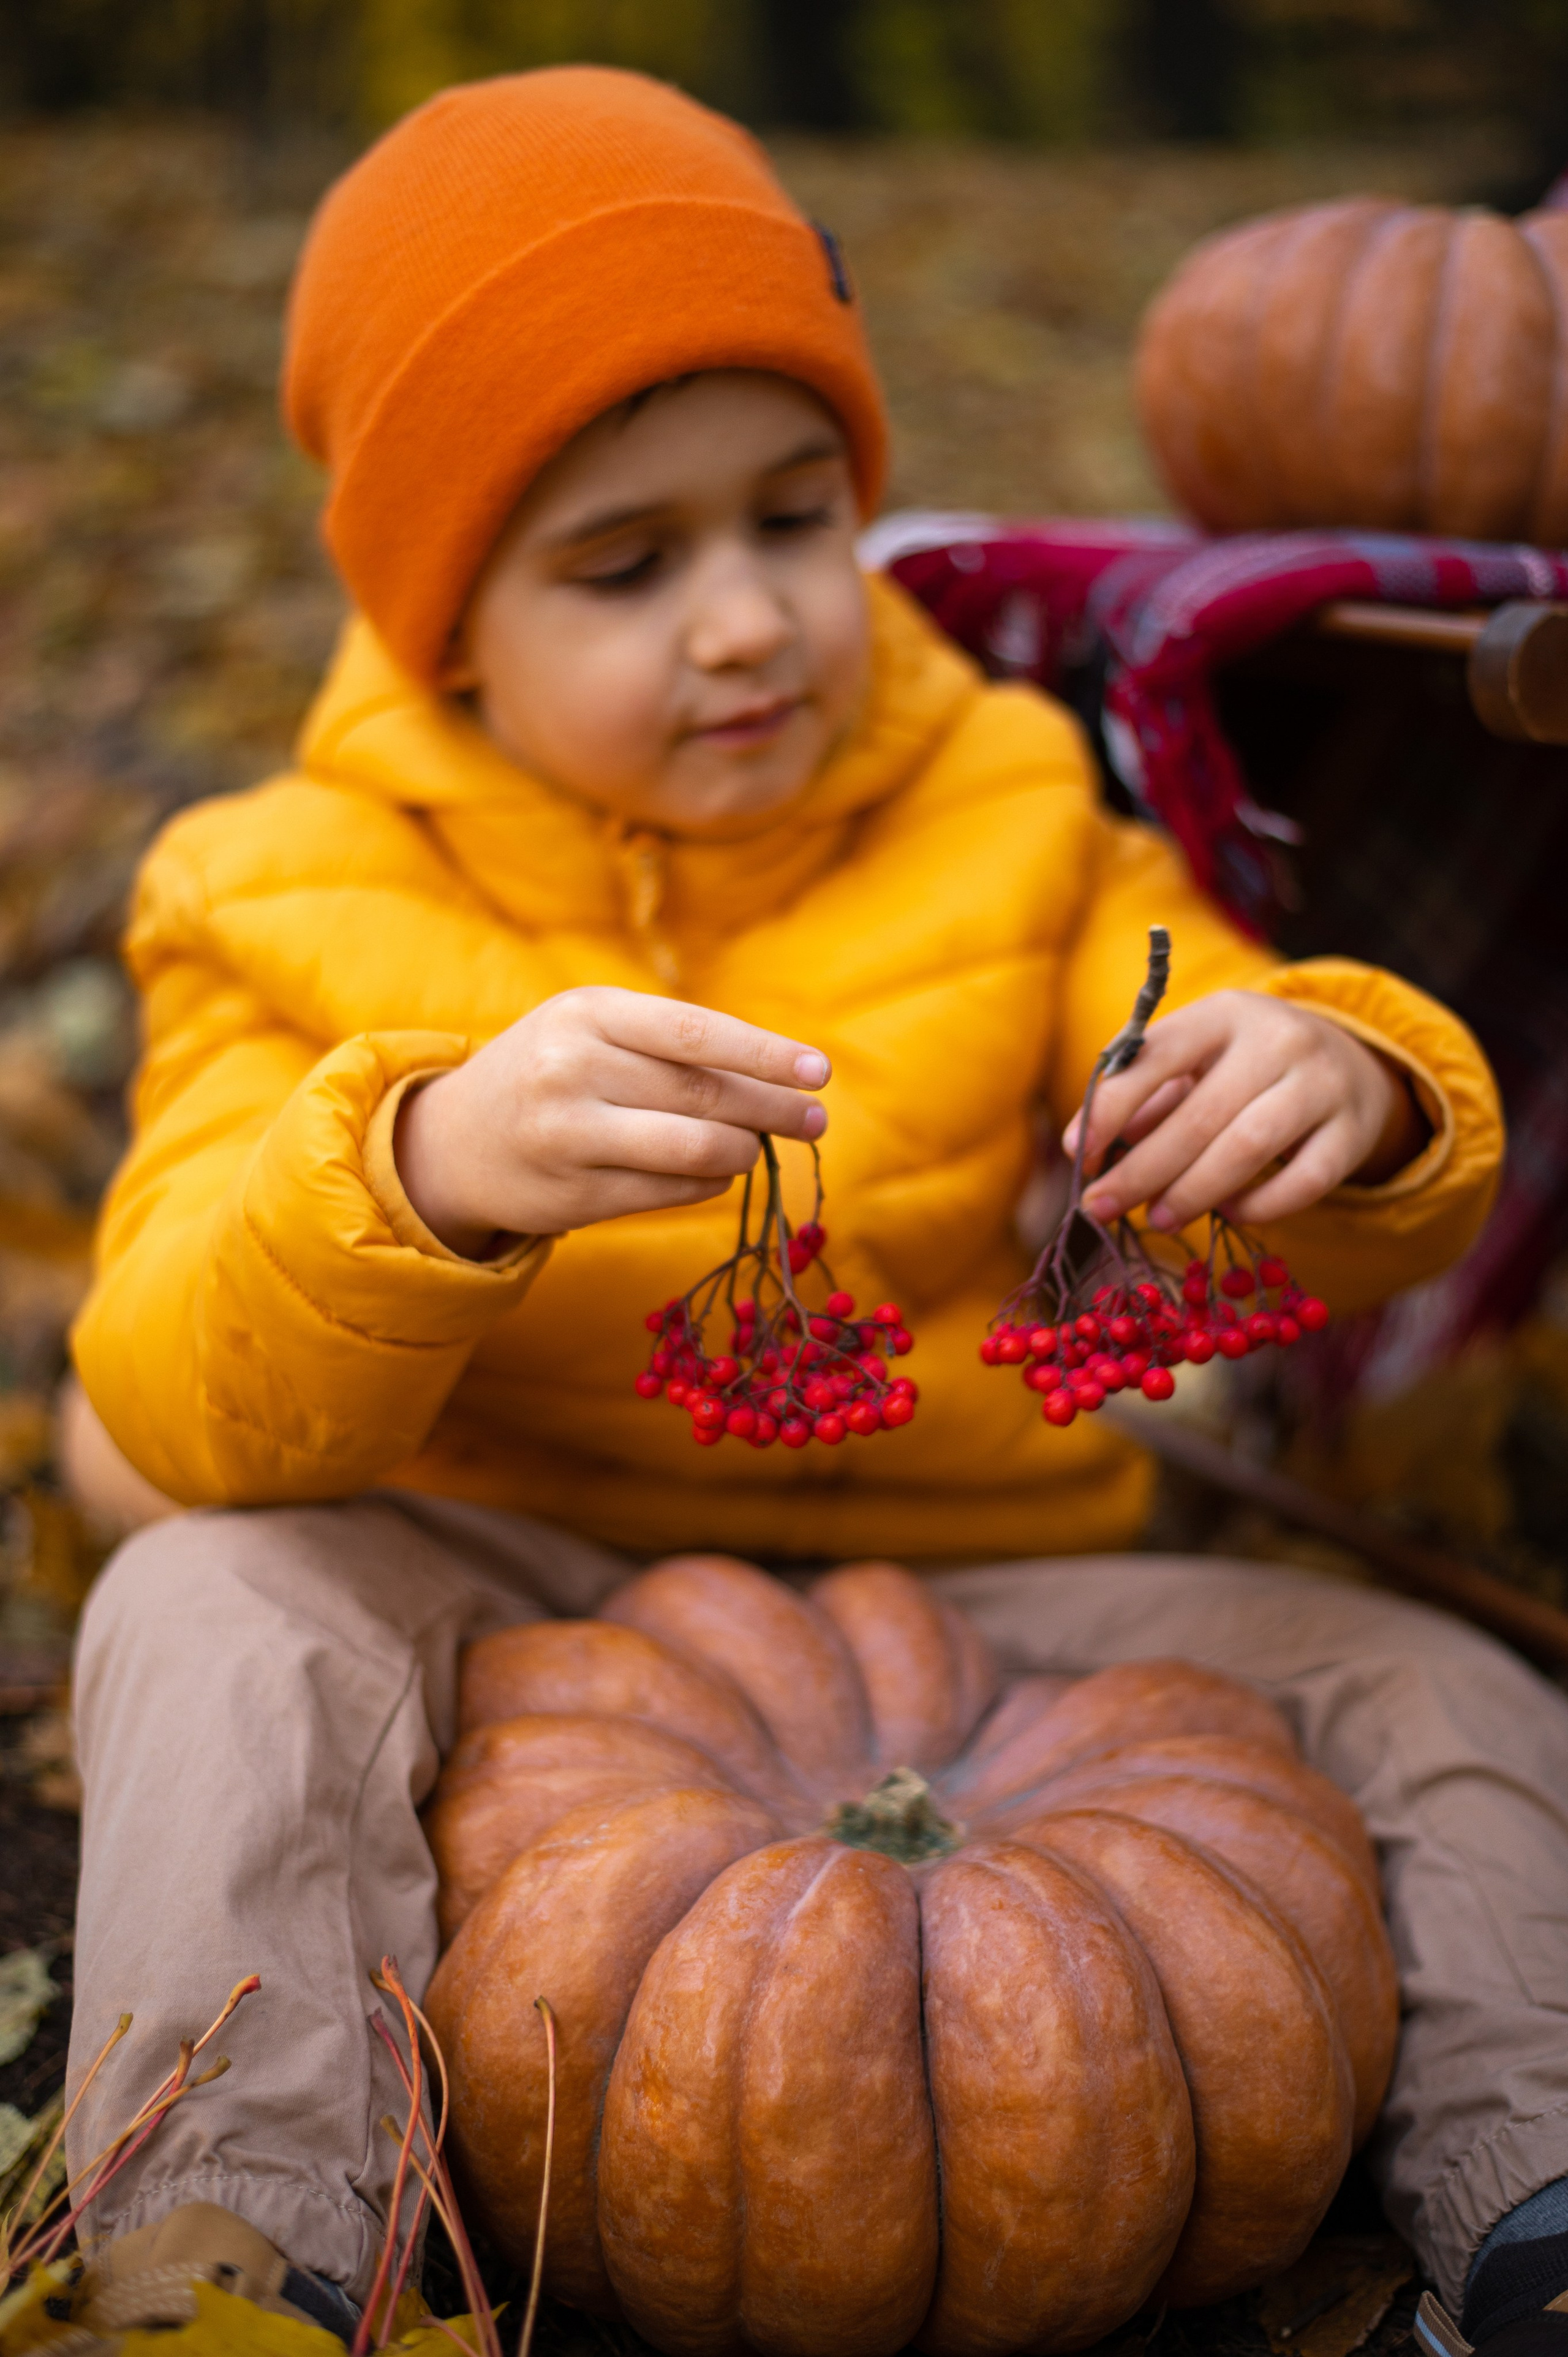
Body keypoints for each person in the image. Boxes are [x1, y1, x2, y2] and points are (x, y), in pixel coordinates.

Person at [48, 64, 1568, 2357]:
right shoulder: (270, 895)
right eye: (628, 565)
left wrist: (1344, 1085)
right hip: (499, 1566)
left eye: (794, 514)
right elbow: (174, 1372)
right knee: (211, 1602)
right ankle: (240, 2240)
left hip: (989, 1595)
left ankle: (1528, 2177)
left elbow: (1295, 1136)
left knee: (1434, 1680)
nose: (753, 619)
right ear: (448, 618)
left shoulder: (1011, 803)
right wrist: (424, 1171)